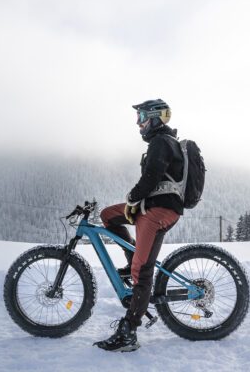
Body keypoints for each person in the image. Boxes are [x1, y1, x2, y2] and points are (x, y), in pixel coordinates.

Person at [93, 99, 184, 352]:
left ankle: (129, 332)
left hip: (158, 211)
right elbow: (154, 178)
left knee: (141, 271)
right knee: (108, 215)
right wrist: (135, 201)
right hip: (150, 206)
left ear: (155, 118)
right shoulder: (162, 142)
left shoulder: (161, 142)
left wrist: (133, 197)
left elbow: (152, 176)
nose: (139, 123)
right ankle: (133, 254)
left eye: (142, 117)